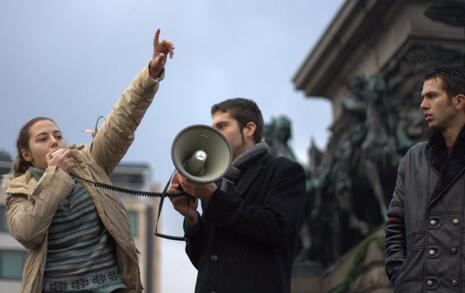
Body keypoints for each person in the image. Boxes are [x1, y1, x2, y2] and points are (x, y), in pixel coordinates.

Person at [3, 29, 174, 293]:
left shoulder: (90, 162)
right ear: (27, 155)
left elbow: (122, 120)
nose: (54, 141)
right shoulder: (18, 191)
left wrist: (150, 74)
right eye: (43, 138)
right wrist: (55, 176)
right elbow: (27, 232)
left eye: (58, 135)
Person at [169, 98, 307, 293]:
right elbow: (204, 260)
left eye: (222, 125)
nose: (213, 133)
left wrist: (214, 198)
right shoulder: (215, 182)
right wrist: (192, 218)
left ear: (249, 129)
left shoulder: (283, 171)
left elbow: (275, 227)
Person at [385, 67, 465, 292]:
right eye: (423, 97)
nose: (423, 105)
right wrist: (401, 276)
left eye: (431, 96)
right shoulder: (413, 159)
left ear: (458, 101)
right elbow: (394, 225)